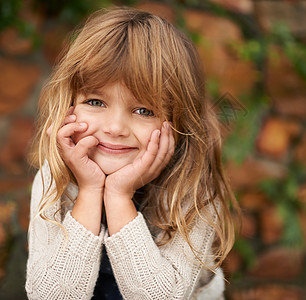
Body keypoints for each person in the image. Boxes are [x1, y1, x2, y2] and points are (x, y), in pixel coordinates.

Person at [26, 6, 239, 300]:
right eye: (96, 102)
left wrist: (117, 196)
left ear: (177, 122)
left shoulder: (191, 188)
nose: (115, 128)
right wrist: (89, 190)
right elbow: (49, 296)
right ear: (68, 104)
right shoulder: (56, 178)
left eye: (143, 110)